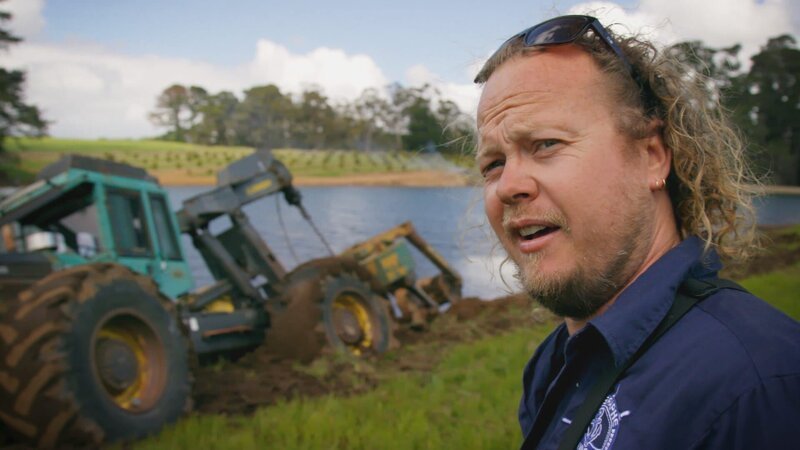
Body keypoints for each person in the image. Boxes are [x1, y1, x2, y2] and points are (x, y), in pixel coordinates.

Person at [473, 15, 800, 450]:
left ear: (651, 157)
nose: (510, 185)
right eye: (493, 164)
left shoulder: (759, 382)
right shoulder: (552, 364)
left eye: (546, 144)